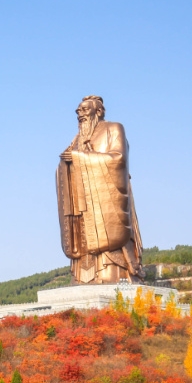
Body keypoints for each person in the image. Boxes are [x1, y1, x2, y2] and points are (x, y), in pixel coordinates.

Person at [56, 96, 144, 284]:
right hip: (83, 200)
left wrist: (80, 158)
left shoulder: (114, 128)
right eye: (78, 110)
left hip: (106, 200)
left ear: (98, 111)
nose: (80, 113)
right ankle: (83, 276)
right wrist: (67, 163)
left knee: (110, 239)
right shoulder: (77, 138)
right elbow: (68, 162)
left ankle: (114, 271)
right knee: (84, 237)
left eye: (85, 109)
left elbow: (118, 159)